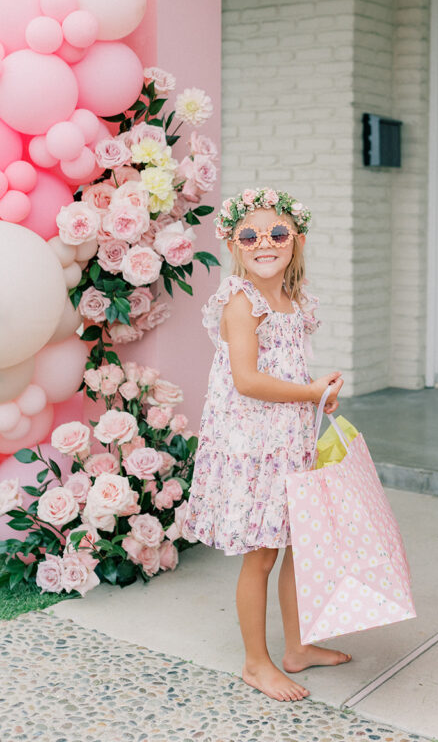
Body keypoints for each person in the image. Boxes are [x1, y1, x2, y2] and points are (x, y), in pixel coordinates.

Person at [184, 187, 349, 702]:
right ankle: (256, 662)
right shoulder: (242, 302)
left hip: (290, 439)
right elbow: (248, 380)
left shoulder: (291, 300)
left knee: (296, 544)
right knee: (262, 554)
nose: (264, 243)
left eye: (277, 233)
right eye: (249, 235)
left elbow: (287, 370)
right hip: (255, 445)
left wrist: (317, 394)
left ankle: (297, 647)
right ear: (233, 243)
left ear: (295, 240)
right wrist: (310, 392)